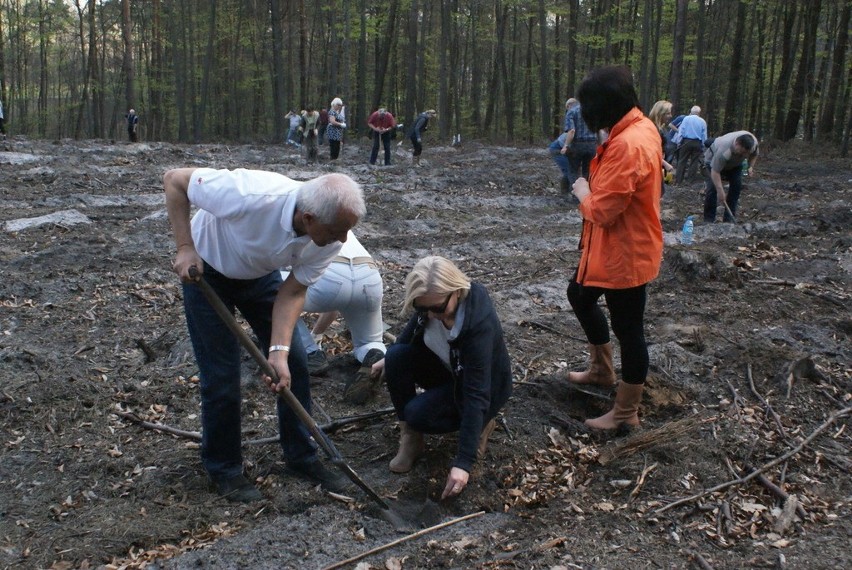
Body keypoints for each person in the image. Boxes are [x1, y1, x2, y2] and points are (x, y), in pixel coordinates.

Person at [164, 167, 366, 502]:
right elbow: (175, 180)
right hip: (208, 270)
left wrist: (278, 352)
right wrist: (185, 247)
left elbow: (293, 292)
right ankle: (224, 468)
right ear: (309, 217)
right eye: (336, 231)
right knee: (222, 375)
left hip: (259, 276)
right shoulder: (250, 194)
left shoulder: (329, 239)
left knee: (296, 361)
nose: (343, 240)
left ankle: (301, 456)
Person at [567, 65, 663, 431]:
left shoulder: (629, 142)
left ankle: (625, 413)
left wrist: (582, 193)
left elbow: (604, 210)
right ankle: (601, 370)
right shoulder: (635, 128)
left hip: (627, 252)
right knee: (579, 293)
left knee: (629, 329)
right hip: (607, 249)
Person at [370, 256, 512, 499]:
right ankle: (411, 438)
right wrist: (391, 360)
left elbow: (477, 392)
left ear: (456, 291)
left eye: (437, 308)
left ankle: (482, 425)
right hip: (450, 372)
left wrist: (463, 463)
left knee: (419, 414)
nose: (431, 315)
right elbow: (413, 329)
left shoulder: (477, 325)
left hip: (481, 390)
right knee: (395, 354)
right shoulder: (432, 307)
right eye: (421, 308)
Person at [288, 230, 387, 404]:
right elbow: (336, 301)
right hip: (369, 277)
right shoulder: (339, 219)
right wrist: (317, 334)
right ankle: (376, 356)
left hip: (328, 276)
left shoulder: (294, 221)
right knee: (369, 343)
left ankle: (309, 352)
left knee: (269, 290)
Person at [703, 131, 759, 223]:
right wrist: (720, 191)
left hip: (735, 165)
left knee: (736, 186)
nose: (744, 155)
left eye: (746, 154)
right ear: (737, 144)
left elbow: (754, 155)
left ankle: (728, 220)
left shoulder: (753, 145)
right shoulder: (724, 150)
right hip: (712, 161)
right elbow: (715, 171)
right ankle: (708, 220)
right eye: (742, 152)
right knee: (713, 189)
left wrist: (750, 166)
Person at [561, 101, 598, 188]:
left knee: (573, 170)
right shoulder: (593, 111)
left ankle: (575, 196)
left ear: (569, 105)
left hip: (577, 145)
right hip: (592, 145)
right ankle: (586, 195)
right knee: (588, 171)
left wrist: (565, 145)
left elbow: (572, 131)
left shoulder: (572, 111)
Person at [548, 98, 579, 193]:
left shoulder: (576, 117)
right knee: (569, 170)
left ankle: (569, 192)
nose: (568, 109)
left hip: (565, 147)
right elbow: (566, 144)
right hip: (557, 148)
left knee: (573, 170)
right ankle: (566, 193)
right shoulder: (573, 121)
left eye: (568, 107)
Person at [674, 106, 707, 184]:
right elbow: (704, 135)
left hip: (686, 142)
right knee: (694, 162)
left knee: (682, 161)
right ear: (699, 113)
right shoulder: (702, 121)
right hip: (697, 142)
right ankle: (689, 181)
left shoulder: (686, 119)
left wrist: (679, 142)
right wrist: (703, 145)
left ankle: (678, 181)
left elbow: (681, 131)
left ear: (691, 112)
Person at [647, 100, 676, 188]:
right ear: (660, 113)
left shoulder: (662, 128)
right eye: (668, 113)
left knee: (664, 187)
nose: (670, 116)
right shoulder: (652, 128)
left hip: (665, 165)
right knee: (658, 189)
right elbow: (649, 151)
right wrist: (665, 164)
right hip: (657, 166)